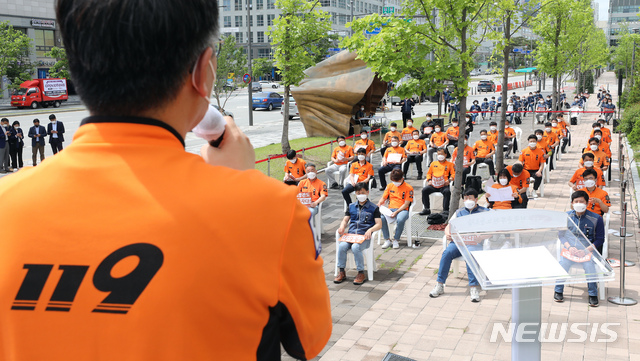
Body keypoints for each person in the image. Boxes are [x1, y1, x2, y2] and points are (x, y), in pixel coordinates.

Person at [0, 1, 331, 359]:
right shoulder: (271, 211)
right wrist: (240, 189)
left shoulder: (7, 204)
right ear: (204, 72)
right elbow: (308, 341)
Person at [430, 188, 490, 302]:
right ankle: (440, 284)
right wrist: (447, 233)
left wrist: (482, 237)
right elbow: (449, 225)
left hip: (473, 243)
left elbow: (491, 232)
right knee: (446, 253)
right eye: (465, 198)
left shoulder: (484, 212)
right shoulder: (459, 212)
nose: (468, 200)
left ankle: (473, 287)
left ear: (476, 199)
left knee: (470, 255)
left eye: (470, 198)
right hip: (459, 242)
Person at [554, 190, 604, 307]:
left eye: (581, 201)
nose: (579, 203)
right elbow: (561, 235)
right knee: (563, 264)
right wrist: (569, 247)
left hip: (588, 251)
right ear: (572, 203)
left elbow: (600, 239)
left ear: (587, 203)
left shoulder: (596, 219)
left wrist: (586, 250)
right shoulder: (566, 217)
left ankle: (592, 294)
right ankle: (558, 290)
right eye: (576, 201)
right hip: (570, 250)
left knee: (589, 266)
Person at [335, 182, 382, 285]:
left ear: (367, 192)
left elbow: (379, 224)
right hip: (351, 235)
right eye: (358, 193)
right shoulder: (351, 206)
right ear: (355, 193)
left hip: (364, 237)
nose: (360, 195)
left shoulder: (373, 208)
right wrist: (342, 226)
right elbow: (345, 220)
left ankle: (361, 272)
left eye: (363, 192)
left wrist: (370, 230)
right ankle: (342, 271)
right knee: (342, 246)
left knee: (355, 248)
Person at [378, 169, 413, 249]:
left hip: (402, 210)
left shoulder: (408, 188)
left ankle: (396, 239)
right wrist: (380, 203)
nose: (395, 183)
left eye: (397, 181)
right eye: (393, 181)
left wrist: (397, 212)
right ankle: (387, 239)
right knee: (381, 218)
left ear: (402, 179)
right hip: (390, 209)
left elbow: (406, 204)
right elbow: (384, 198)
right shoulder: (390, 186)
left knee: (400, 219)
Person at [419, 148, 454, 216]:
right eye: (438, 154)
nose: (440, 155)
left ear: (445, 155)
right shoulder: (433, 163)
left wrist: (449, 180)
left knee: (447, 192)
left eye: (441, 154)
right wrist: (429, 180)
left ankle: (445, 210)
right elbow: (429, 173)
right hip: (434, 185)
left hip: (444, 184)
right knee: (424, 190)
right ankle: (426, 209)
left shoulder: (450, 164)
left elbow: (453, 174)